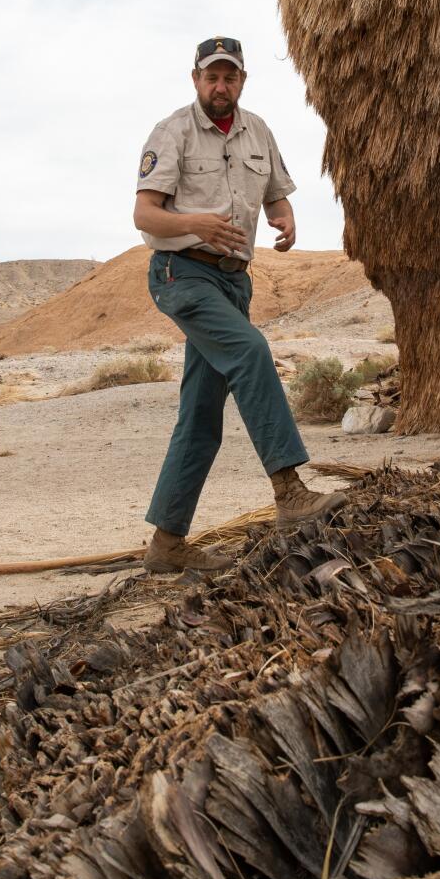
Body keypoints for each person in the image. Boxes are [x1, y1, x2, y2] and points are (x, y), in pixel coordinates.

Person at [131, 35, 344, 573]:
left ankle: (167, 543)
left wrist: (284, 215)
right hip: (183, 274)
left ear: (242, 81)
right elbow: (145, 216)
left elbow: (274, 190)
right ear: (196, 79)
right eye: (211, 76)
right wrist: (193, 223)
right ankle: (290, 492)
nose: (220, 85)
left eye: (229, 77)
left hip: (233, 282)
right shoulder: (172, 131)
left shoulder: (259, 131)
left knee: (201, 416)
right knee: (251, 351)